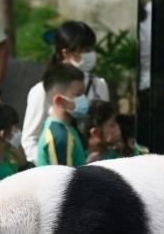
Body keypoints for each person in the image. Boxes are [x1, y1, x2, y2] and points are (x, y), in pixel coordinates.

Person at [21, 21, 110, 161]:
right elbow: (30, 140)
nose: (90, 55)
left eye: (91, 49)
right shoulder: (42, 91)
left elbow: (106, 126)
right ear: (66, 53)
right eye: (84, 50)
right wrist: (49, 163)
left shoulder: (99, 85)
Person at [36, 64, 89, 167]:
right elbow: (63, 181)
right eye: (78, 95)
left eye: (84, 94)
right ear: (59, 101)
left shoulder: (62, 129)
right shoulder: (60, 136)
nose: (84, 99)